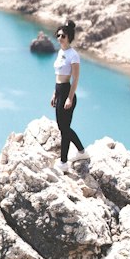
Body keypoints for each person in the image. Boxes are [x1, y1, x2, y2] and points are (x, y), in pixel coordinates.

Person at [51, 19, 87, 170]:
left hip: (67, 92)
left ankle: (63, 162)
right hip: (59, 91)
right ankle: (81, 151)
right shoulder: (60, 52)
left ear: (69, 37)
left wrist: (69, 98)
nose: (59, 39)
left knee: (64, 128)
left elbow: (75, 78)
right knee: (63, 127)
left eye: (63, 36)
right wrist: (54, 94)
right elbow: (58, 75)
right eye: (58, 35)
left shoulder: (73, 55)